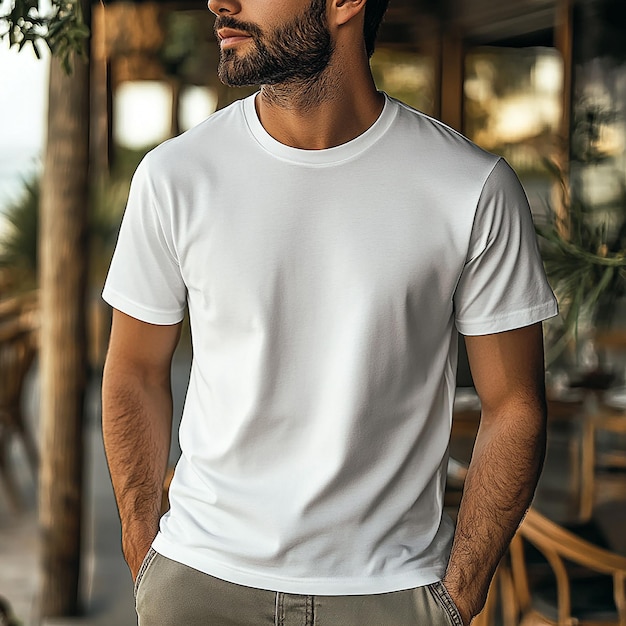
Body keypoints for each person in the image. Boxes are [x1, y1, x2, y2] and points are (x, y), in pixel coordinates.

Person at [101, 0, 558, 623]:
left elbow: (516, 406)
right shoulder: (175, 176)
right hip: (199, 584)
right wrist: (144, 552)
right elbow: (133, 371)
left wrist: (460, 592)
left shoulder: (470, 188)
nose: (219, 2)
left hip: (392, 596)